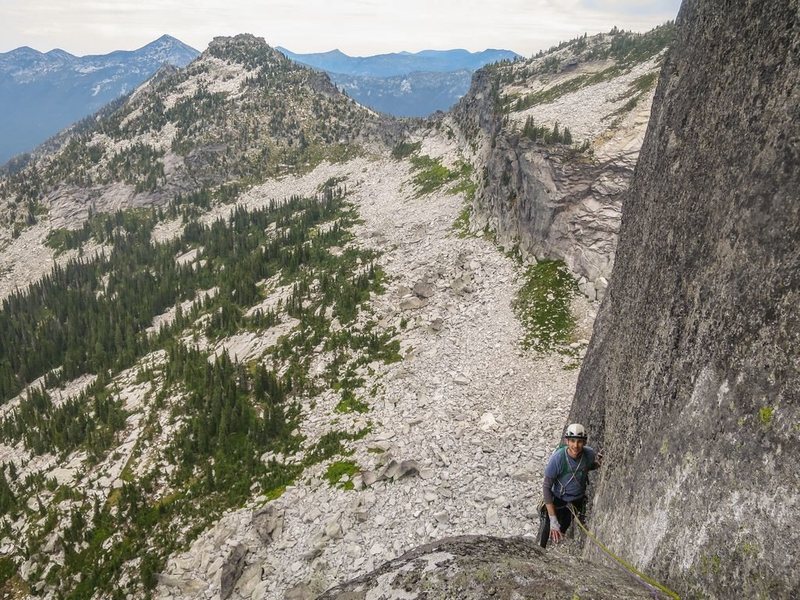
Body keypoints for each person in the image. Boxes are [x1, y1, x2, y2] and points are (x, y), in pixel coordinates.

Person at [538, 423, 602, 548]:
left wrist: (597, 464)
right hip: (558, 498)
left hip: (576, 500)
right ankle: (542, 550)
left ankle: (555, 548)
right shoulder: (558, 459)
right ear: (567, 441)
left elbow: (587, 467)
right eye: (572, 441)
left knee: (565, 525)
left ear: (584, 442)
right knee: (548, 528)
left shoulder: (589, 454)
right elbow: (546, 487)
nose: (576, 445)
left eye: (579, 441)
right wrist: (552, 518)